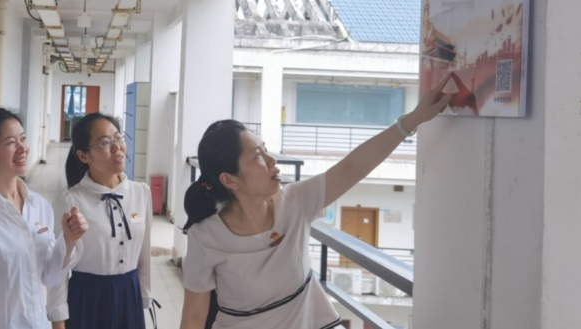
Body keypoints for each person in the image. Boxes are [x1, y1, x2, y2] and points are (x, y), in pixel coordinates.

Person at [178, 85, 452, 329]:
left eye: (266, 149)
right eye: (258, 156)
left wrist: (412, 120)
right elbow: (194, 317)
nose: (272, 161)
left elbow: (352, 167)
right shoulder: (206, 236)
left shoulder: (296, 202)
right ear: (229, 180)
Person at [0, 107, 87, 329]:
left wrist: (69, 240)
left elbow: (49, 276)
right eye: (11, 142)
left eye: (23, 138)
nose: (23, 148)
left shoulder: (39, 206)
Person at [48, 112, 155, 329]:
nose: (117, 148)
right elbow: (59, 265)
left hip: (129, 296)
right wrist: (58, 321)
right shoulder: (71, 200)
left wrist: (143, 298)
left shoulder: (141, 193)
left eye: (118, 138)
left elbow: (144, 253)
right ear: (83, 156)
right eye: (105, 143)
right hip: (88, 298)